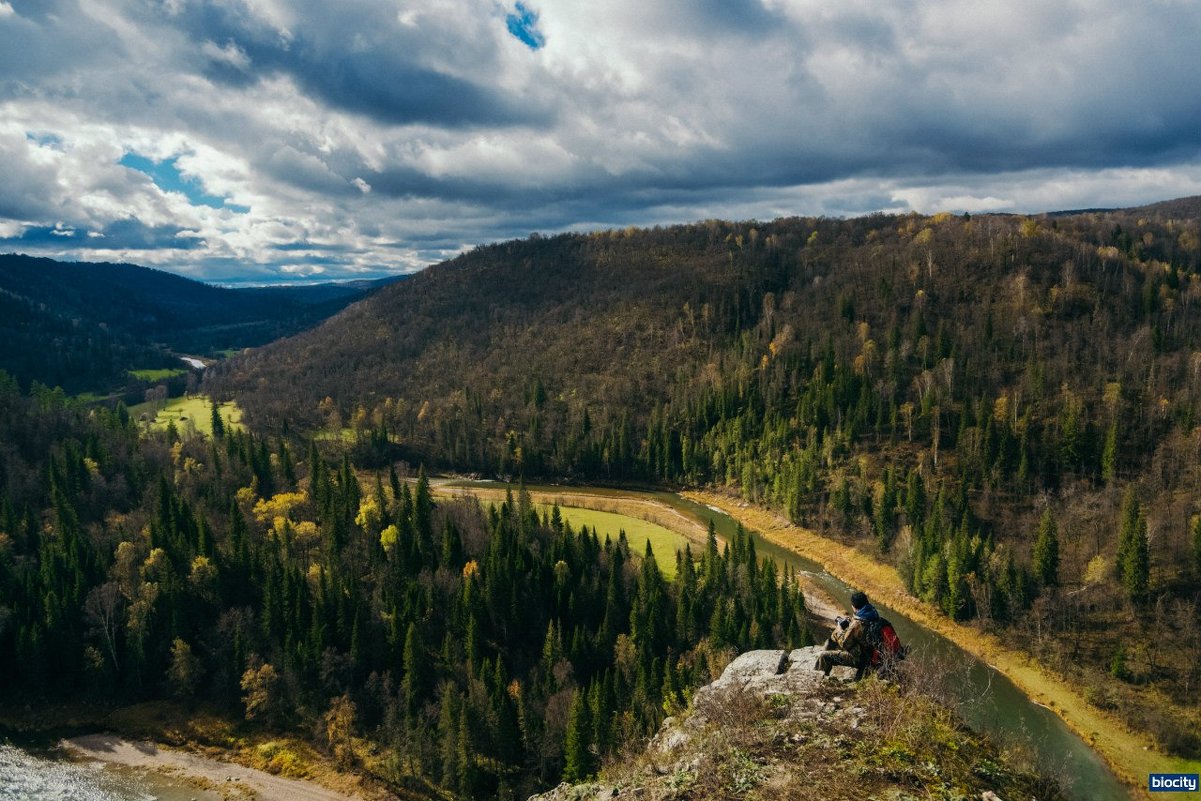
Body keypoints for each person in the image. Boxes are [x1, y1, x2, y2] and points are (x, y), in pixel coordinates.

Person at [814, 590, 879, 677]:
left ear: (853, 606)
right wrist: (851, 622)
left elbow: (844, 644)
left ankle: (818, 679)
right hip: (873, 655)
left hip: (861, 660)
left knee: (824, 656)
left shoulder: (858, 623)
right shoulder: (874, 615)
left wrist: (839, 629)